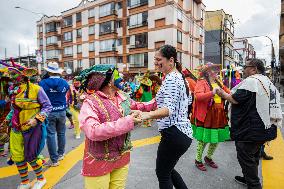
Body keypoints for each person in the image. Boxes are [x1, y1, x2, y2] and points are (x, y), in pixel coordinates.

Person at [78, 64, 156, 189]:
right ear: (109, 81)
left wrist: (158, 101)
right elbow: (93, 131)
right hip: (98, 161)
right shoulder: (91, 102)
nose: (121, 76)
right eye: (117, 74)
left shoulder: (122, 96)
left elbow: (139, 106)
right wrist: (128, 121)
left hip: (122, 158)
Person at [217, 59, 282, 189]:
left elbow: (235, 99)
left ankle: (253, 184)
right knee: (253, 156)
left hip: (250, 130)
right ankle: (249, 178)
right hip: (264, 128)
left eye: (245, 67)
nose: (243, 69)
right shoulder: (267, 82)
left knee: (246, 158)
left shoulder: (252, 82)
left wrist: (221, 93)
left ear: (254, 69)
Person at [139, 45, 192, 189]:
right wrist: (139, 106)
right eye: (155, 59)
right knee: (168, 170)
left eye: (158, 59)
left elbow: (168, 109)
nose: (155, 62)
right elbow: (183, 102)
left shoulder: (171, 79)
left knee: (163, 173)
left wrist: (147, 115)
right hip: (182, 133)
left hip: (174, 133)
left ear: (171, 60)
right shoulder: (179, 77)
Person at [2, 67, 52, 189]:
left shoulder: (37, 89)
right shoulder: (14, 91)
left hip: (32, 129)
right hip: (16, 128)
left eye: (14, 75)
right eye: (10, 76)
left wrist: (36, 119)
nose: (11, 79)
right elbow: (14, 109)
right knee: (18, 156)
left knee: (32, 155)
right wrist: (7, 119)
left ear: (25, 75)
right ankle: (25, 182)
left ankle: (41, 179)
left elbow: (47, 107)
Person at [191, 63, 230, 171]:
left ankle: (208, 157)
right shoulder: (202, 82)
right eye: (213, 70)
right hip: (208, 114)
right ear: (207, 72)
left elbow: (228, 92)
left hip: (219, 114)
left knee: (216, 138)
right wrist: (212, 93)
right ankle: (198, 160)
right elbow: (198, 96)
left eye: (216, 70)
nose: (216, 72)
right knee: (204, 139)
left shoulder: (218, 81)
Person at [39, 62, 70, 167]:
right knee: (61, 133)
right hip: (62, 111)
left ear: (49, 71)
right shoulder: (65, 83)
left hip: (49, 112)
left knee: (51, 135)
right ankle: (61, 154)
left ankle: (54, 160)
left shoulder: (42, 83)